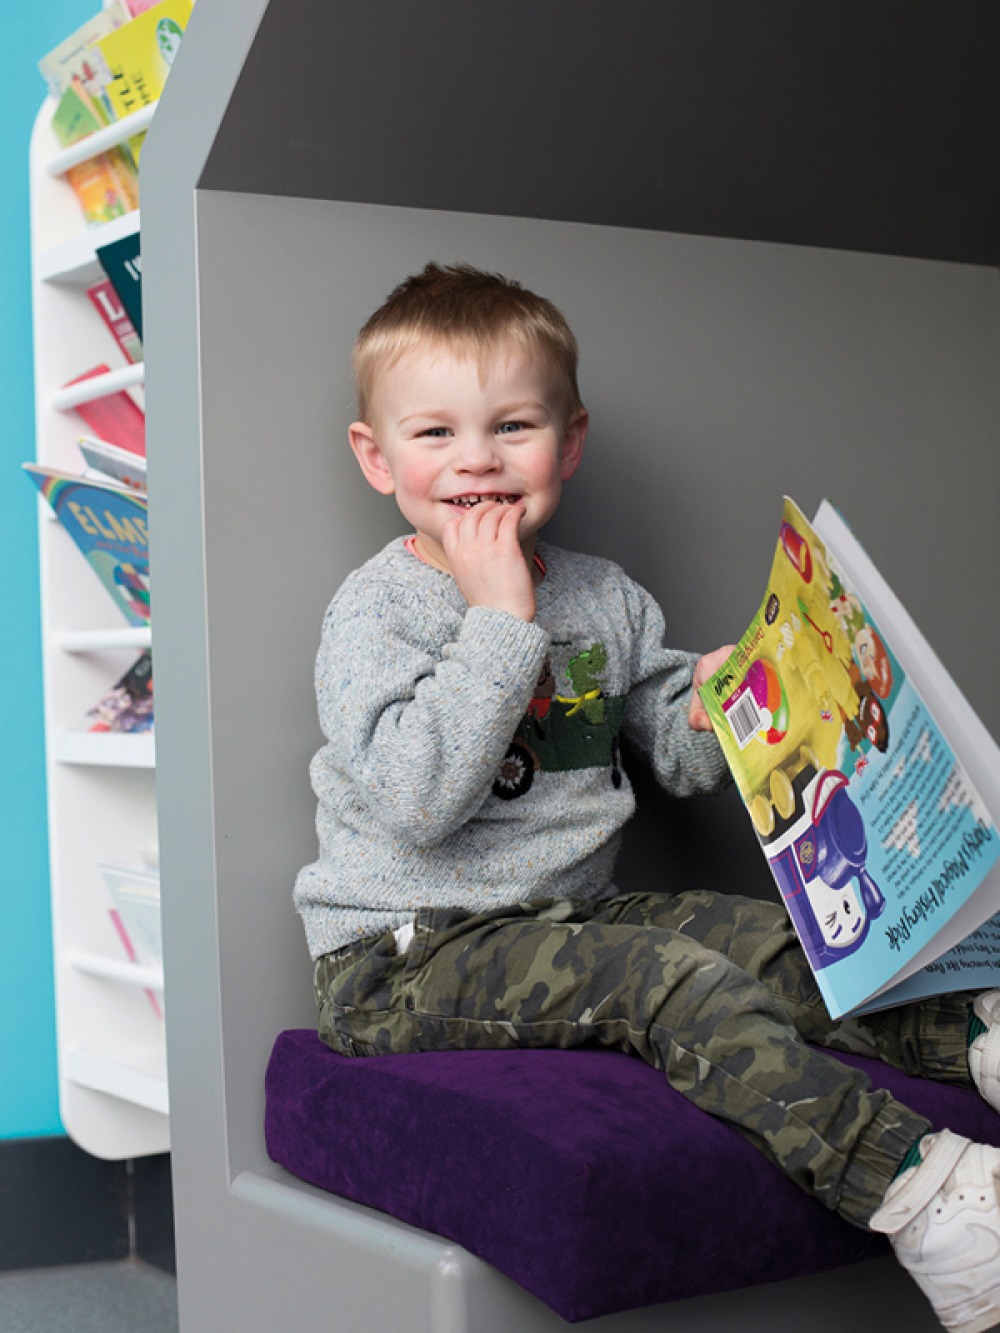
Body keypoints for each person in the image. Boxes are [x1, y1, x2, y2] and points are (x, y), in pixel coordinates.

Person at [295, 261, 1000, 1333]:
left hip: (570, 914)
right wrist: (499, 621)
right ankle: (924, 1193)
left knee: (776, 941)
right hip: (406, 951)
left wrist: (722, 701)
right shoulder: (377, 612)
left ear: (568, 442)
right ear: (376, 456)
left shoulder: (602, 594)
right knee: (666, 980)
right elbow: (416, 801)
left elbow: (669, 750)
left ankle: (972, 1038)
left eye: (513, 426)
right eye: (436, 433)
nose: (478, 459)